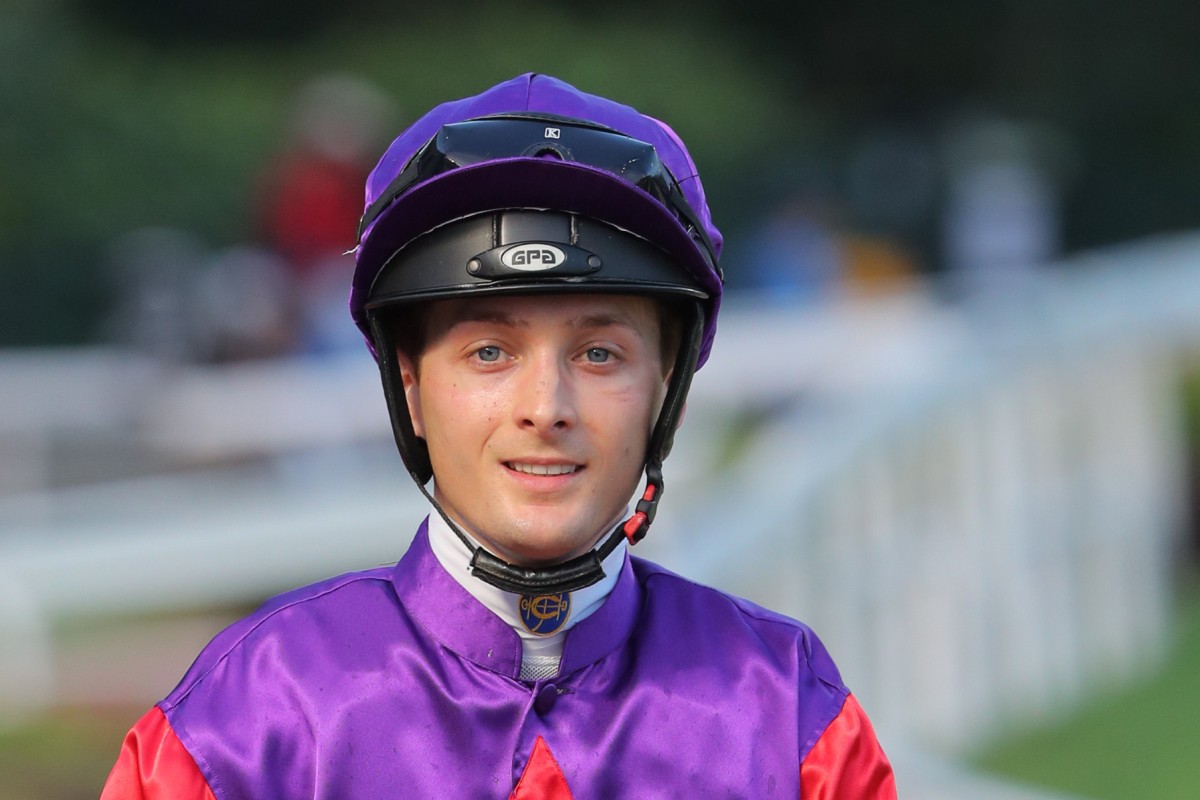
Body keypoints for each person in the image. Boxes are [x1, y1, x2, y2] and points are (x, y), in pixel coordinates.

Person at [100, 73, 896, 799]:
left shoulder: (790, 713)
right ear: (410, 388)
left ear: (668, 393)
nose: (544, 406)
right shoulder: (246, 722)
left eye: (598, 353)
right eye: (489, 352)